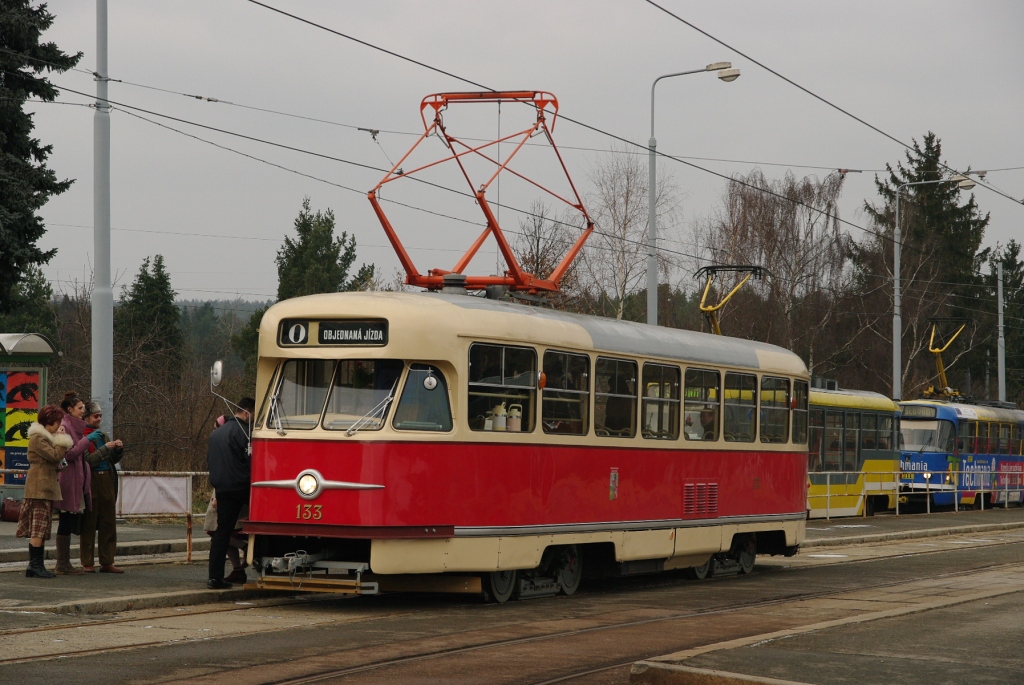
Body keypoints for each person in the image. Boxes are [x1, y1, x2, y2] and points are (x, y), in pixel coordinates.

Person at [17, 405, 73, 578]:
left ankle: (36, 565)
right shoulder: (38, 438)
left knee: (42, 527)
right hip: (39, 487)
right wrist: (62, 439)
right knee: (38, 527)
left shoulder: (44, 437)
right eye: (56, 423)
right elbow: (55, 456)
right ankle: (35, 565)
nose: (58, 427)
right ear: (49, 423)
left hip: (43, 486)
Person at [206, 397, 255, 589]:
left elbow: (211, 462)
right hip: (242, 488)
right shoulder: (245, 432)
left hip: (222, 488)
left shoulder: (216, 435)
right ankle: (254, 554)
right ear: (246, 412)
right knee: (260, 524)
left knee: (222, 532)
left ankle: (214, 577)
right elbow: (250, 461)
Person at [80, 401, 125, 573]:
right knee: (89, 522)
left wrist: (117, 451)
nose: (99, 419)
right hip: (90, 480)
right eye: (95, 416)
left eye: (100, 416)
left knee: (108, 521)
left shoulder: (102, 435)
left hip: (106, 478)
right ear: (86, 418)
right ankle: (87, 562)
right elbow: (89, 461)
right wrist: (106, 449)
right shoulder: (81, 436)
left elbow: (110, 460)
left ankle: (107, 561)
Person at [53, 391, 94, 575]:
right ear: (70, 409)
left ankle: (64, 563)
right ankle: (62, 564)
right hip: (68, 479)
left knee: (69, 519)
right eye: (80, 408)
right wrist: (87, 441)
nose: (82, 411)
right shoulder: (65, 426)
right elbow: (68, 454)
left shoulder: (74, 425)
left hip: (76, 477)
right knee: (66, 518)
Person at [203, 496, 249, 584]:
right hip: (233, 495)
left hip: (227, 496)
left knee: (218, 534)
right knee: (225, 534)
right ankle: (237, 570)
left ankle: (246, 548)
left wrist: (217, 496)